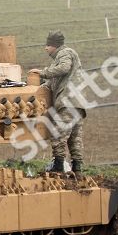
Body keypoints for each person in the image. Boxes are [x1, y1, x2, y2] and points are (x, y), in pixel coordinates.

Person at [30, 30, 85, 173]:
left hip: (68, 102)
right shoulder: (64, 57)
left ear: (55, 45)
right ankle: (77, 168)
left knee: (58, 134)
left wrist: (43, 72)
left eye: (48, 45)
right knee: (74, 138)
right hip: (78, 104)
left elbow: (63, 68)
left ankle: (59, 166)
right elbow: (54, 81)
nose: (45, 48)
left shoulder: (64, 53)